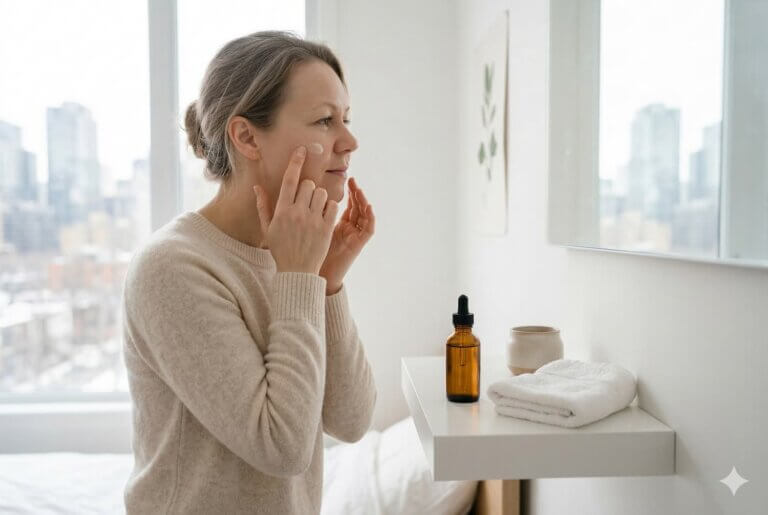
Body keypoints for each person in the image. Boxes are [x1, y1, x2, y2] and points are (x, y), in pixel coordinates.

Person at [121, 30, 377, 514]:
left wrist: (326, 282)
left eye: (345, 119)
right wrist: (301, 278)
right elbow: (282, 448)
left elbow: (352, 419)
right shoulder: (172, 267)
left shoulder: (290, 256)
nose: (349, 141)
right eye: (325, 121)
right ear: (246, 136)